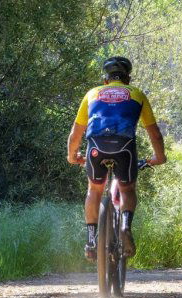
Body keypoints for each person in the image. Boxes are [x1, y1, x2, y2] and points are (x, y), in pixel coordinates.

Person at [66, 56, 167, 261]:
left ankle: (91, 241)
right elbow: (154, 133)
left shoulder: (92, 94)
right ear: (127, 78)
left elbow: (76, 133)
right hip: (125, 148)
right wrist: (159, 157)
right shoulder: (137, 94)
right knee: (127, 188)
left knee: (94, 190)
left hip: (96, 147)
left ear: (106, 80)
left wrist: (72, 156)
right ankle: (125, 226)